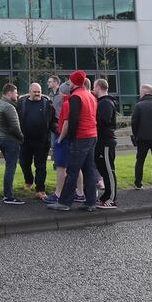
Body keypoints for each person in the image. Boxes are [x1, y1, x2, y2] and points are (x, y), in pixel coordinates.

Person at [49, 71, 100, 211]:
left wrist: (70, 137)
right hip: (92, 135)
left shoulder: (75, 97)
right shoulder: (90, 96)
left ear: (74, 82)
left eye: (70, 81)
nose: (69, 83)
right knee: (89, 170)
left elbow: (74, 119)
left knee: (72, 170)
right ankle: (90, 202)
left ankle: (64, 202)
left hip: (81, 137)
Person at [18, 83, 55, 200]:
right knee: (24, 162)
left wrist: (57, 129)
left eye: (39, 91)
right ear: (30, 91)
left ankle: (40, 189)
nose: (38, 94)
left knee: (41, 166)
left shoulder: (47, 104)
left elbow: (53, 120)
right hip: (25, 140)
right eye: (35, 92)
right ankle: (28, 181)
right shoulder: (22, 104)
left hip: (42, 141)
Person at [0, 83, 24, 205]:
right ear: (10, 93)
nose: (17, 95)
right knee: (11, 168)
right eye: (16, 93)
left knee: (9, 167)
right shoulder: (9, 107)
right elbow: (14, 127)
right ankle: (8, 196)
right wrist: (21, 138)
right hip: (10, 140)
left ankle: (7, 194)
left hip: (1, 139)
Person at [94, 79, 119, 208]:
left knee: (109, 170)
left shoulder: (105, 102)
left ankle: (111, 198)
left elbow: (104, 119)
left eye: (94, 87)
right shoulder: (103, 102)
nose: (93, 90)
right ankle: (106, 196)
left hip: (106, 141)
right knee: (103, 169)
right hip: (102, 140)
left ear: (98, 87)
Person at [47, 82, 74, 204]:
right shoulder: (75, 101)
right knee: (74, 167)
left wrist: (60, 138)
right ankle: (79, 192)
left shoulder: (66, 103)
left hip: (63, 137)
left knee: (61, 166)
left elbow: (65, 123)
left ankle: (59, 193)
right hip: (73, 138)